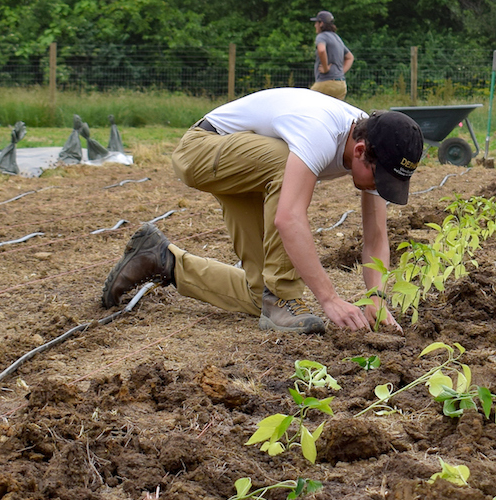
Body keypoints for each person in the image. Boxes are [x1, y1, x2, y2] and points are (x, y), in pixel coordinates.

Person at [101, 89, 425, 334]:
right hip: (203, 148)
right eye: (380, 177)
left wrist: (376, 296)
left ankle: (161, 259)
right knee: (286, 163)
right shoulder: (320, 132)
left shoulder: (371, 137)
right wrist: (329, 299)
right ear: (359, 151)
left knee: (259, 296)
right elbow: (289, 217)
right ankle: (283, 296)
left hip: (247, 168)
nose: (380, 187)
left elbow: (376, 234)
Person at [311, 11, 352, 100]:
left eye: (316, 23)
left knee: (307, 105)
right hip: (341, 85)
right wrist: (340, 72)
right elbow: (350, 57)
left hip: (326, 83)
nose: (315, 25)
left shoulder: (321, 36)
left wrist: (325, 68)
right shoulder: (337, 38)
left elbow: (321, 50)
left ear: (321, 23)